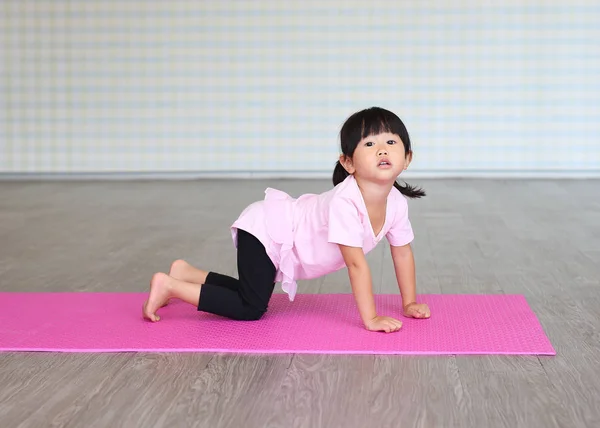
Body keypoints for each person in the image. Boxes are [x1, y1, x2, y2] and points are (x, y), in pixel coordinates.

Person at [143, 107, 431, 333]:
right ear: (348, 163)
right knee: (251, 307)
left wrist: (409, 303)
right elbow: (356, 265)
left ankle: (186, 273)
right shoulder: (346, 202)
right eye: (369, 143)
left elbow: (402, 252)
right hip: (268, 230)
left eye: (391, 141)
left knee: (251, 291)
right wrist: (371, 318)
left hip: (276, 231)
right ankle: (171, 286)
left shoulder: (395, 202)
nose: (382, 149)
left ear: (406, 158)